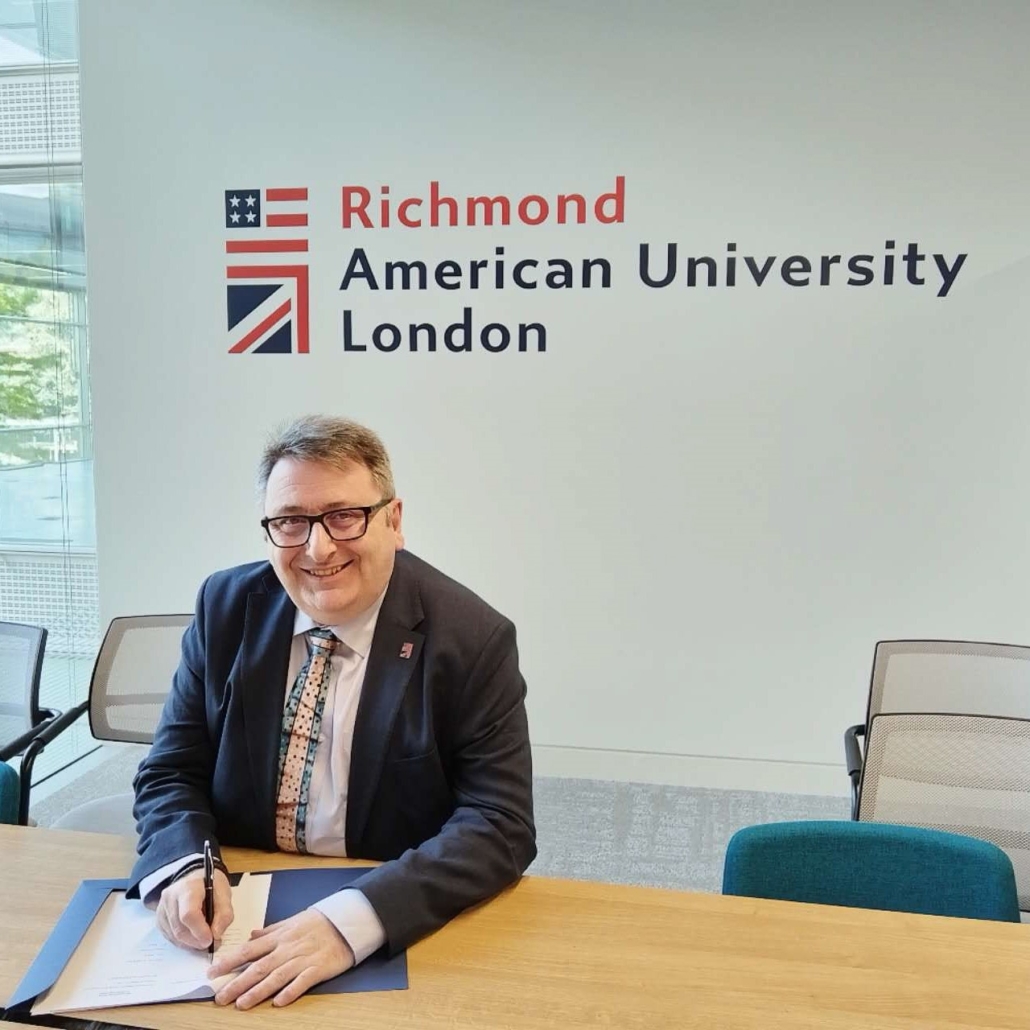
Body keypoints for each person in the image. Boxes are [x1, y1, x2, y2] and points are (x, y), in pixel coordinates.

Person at [128, 415, 536, 1009]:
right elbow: (171, 769)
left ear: (393, 521)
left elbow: (500, 823)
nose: (318, 548)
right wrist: (184, 862)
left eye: (345, 516)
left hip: (384, 907)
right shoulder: (224, 606)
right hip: (236, 909)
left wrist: (351, 924)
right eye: (291, 522)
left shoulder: (472, 639)